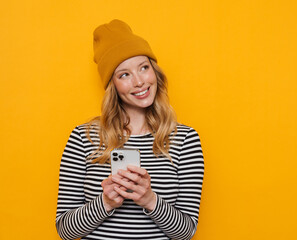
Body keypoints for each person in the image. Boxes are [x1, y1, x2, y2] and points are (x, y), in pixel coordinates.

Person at [55, 19, 204, 240]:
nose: (139, 82)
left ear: (155, 72)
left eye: (144, 68)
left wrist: (149, 200)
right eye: (124, 74)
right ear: (112, 85)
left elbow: (186, 233)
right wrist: (105, 202)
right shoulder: (83, 138)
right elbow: (65, 231)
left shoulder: (185, 140)